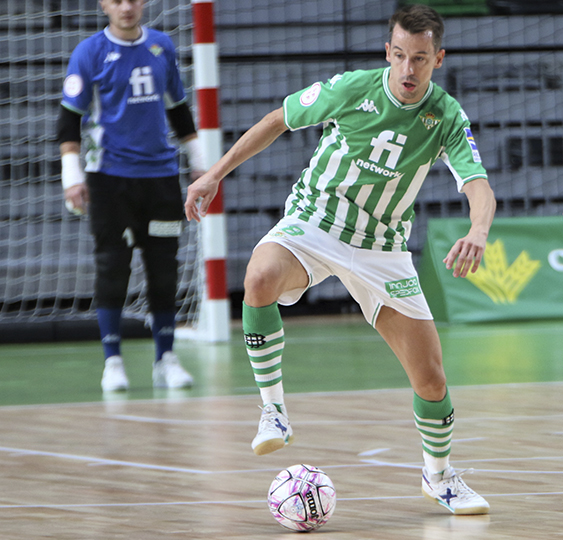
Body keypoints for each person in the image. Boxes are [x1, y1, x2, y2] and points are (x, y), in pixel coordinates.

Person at [184, 4, 495, 515]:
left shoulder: (446, 116)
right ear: (387, 53)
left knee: (432, 378)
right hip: (315, 224)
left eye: (420, 59)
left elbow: (479, 185)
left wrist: (478, 230)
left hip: (382, 249)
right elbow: (276, 120)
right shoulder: (353, 88)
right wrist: (215, 173)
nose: (408, 70)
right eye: (399, 56)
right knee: (259, 276)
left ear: (438, 58)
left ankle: (439, 478)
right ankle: (273, 411)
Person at [58, 0, 201, 392]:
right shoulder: (89, 53)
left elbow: (179, 110)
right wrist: (72, 178)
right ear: (104, 5)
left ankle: (166, 358)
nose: (126, 7)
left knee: (164, 268)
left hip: (160, 179)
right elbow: (68, 122)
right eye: (117, 0)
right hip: (108, 180)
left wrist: (200, 163)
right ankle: (113, 362)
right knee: (112, 266)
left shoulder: (161, 47)